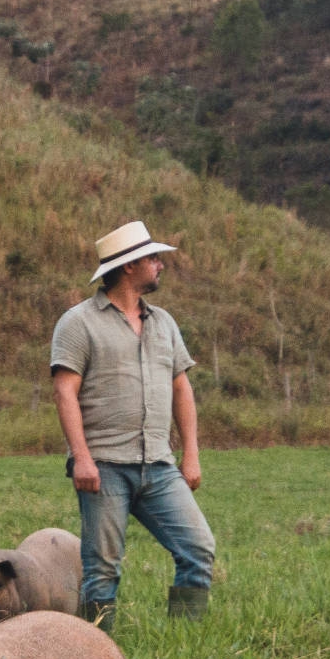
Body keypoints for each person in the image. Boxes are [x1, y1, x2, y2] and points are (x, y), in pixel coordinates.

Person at [49, 220, 217, 628]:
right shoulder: (79, 322)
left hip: (158, 465)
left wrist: (191, 454)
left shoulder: (164, 323)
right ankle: (95, 652)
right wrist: (82, 458)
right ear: (128, 266)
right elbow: (64, 392)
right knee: (102, 570)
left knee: (198, 548)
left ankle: (184, 638)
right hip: (104, 465)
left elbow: (183, 390)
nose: (160, 265)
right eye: (153, 258)